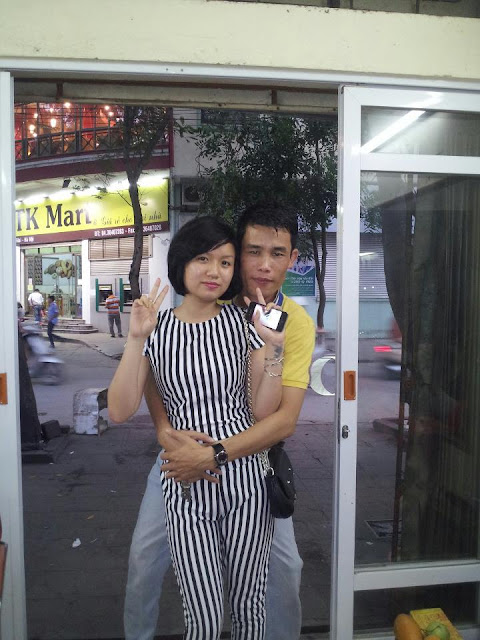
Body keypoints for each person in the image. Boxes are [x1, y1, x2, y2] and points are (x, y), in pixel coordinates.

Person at [124, 202, 315, 640]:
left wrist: (213, 455)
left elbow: (283, 420)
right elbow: (155, 366)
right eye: (253, 252)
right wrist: (163, 428)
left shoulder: (296, 324)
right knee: (143, 559)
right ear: (237, 253)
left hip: (250, 461)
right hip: (180, 457)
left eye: (278, 253)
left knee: (285, 569)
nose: (264, 265)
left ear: (292, 259)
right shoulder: (213, 294)